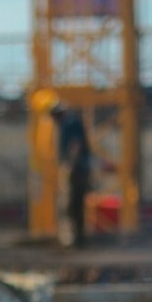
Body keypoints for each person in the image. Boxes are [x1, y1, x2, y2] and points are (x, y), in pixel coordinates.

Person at [47, 98, 92, 248]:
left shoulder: (69, 123)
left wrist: (70, 166)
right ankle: (77, 238)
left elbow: (76, 145)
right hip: (78, 168)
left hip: (76, 170)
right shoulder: (69, 122)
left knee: (74, 205)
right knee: (74, 205)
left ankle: (78, 239)